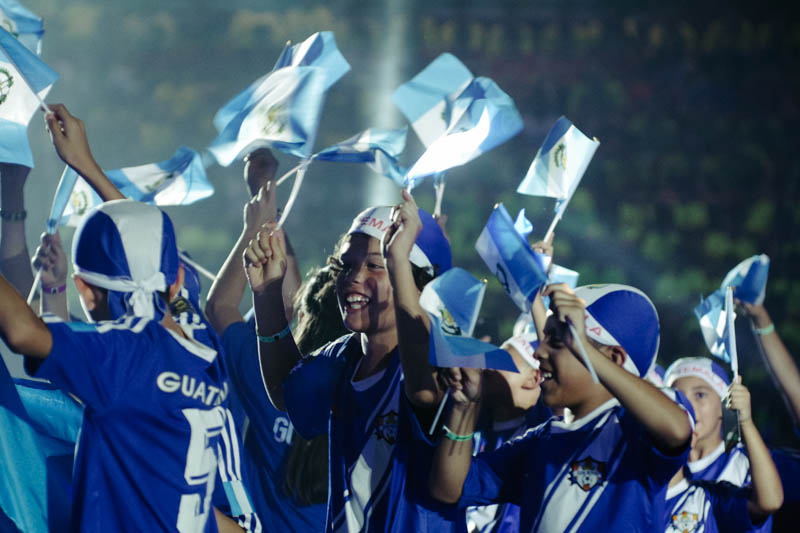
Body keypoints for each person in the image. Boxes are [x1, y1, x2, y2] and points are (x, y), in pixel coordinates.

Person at [245, 191, 463, 531]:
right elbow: (286, 393)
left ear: (421, 281)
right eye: (346, 265)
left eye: (377, 265)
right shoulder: (344, 357)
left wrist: (398, 260)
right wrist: (267, 294)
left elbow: (424, 387)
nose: (354, 277)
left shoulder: (439, 358)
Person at [429, 283, 694, 532]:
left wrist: (584, 348)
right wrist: (464, 406)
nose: (539, 352)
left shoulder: (633, 433)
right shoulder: (541, 440)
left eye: (557, 341)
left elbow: (677, 429)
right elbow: (450, 489)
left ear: (613, 359)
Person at [205, 147, 332, 532]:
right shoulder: (367, 394)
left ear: (305, 319)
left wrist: (257, 227)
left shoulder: (270, 384)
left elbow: (221, 307)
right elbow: (291, 302)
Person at [664, 370, 783, 532]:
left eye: (700, 395)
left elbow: (770, 501)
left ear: (724, 404)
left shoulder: (745, 462)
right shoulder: (640, 490)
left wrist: (745, 422)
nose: (688, 405)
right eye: (678, 398)